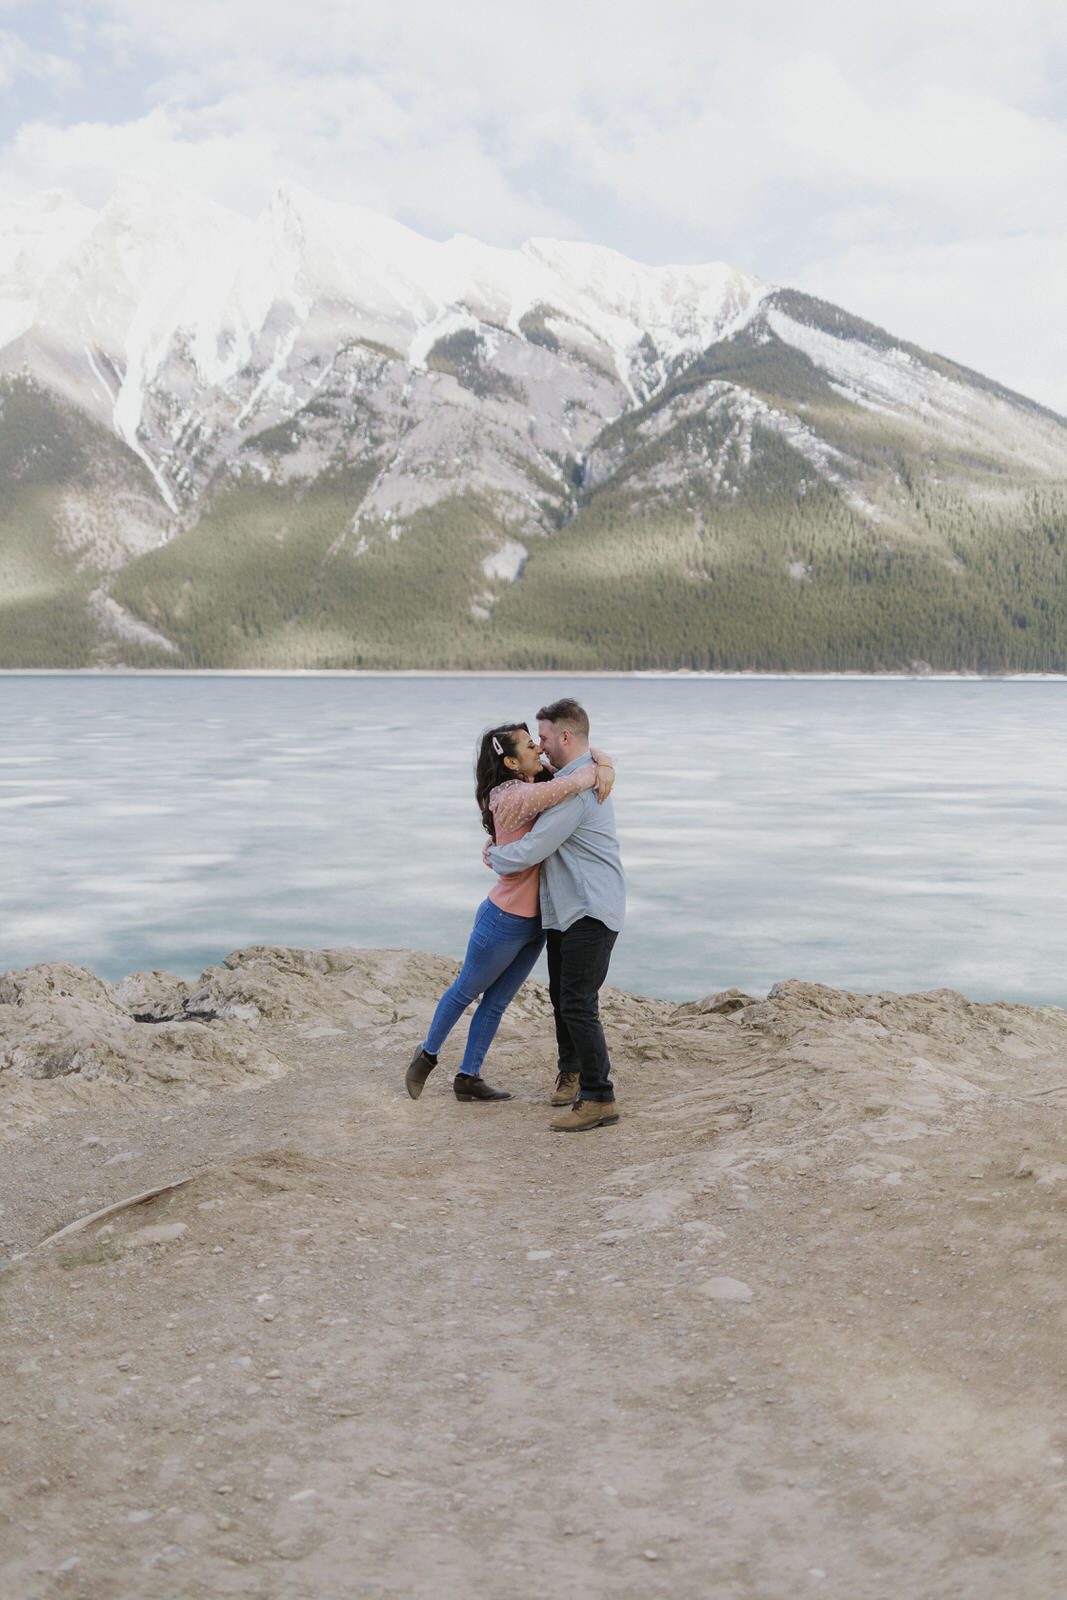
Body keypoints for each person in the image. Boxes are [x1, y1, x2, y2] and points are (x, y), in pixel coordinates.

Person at [405, 722, 614, 1103]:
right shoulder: (512, 796)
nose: (539, 750)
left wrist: (604, 759)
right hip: (503, 918)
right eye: (530, 746)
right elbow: (570, 784)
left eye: (539, 743)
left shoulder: (532, 782)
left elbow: (574, 766)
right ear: (512, 764)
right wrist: (601, 769)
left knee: (497, 1002)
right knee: (465, 990)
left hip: (537, 922)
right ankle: (427, 1055)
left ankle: (468, 1078)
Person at [487, 698, 626, 1132]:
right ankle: (572, 1072)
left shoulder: (578, 791)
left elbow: (534, 848)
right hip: (566, 908)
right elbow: (594, 754)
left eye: (544, 739)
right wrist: (604, 760)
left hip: (589, 907)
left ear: (565, 736)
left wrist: (495, 854)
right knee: (562, 998)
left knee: (579, 1003)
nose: (541, 748)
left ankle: (599, 1097)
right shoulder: (568, 776)